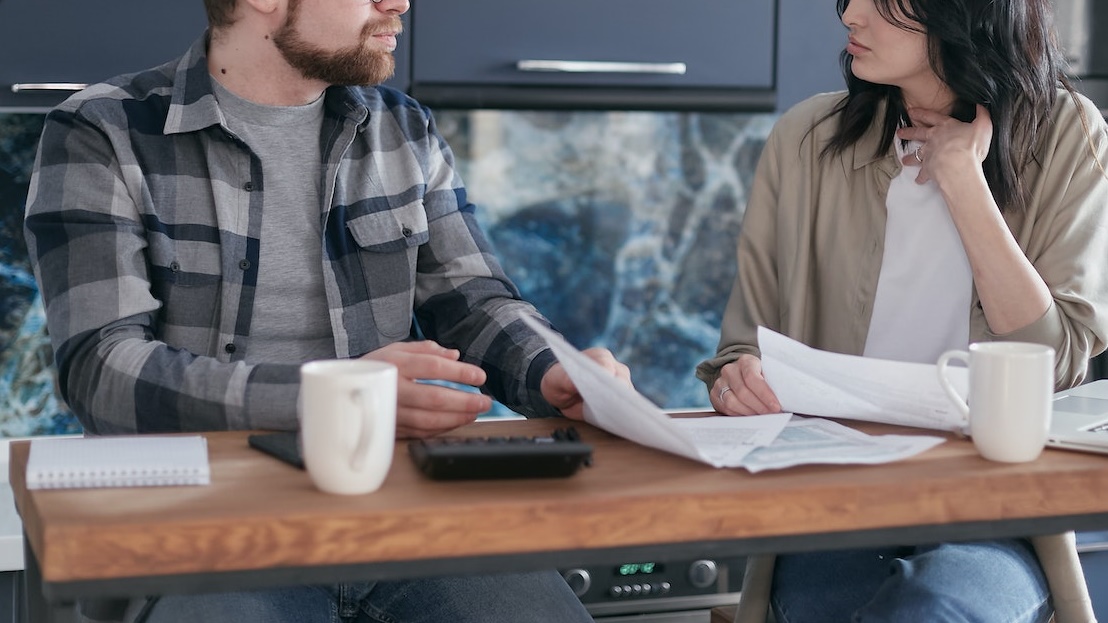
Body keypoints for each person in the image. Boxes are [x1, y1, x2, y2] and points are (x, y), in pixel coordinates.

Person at [23, 0, 630, 621]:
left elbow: (474, 301)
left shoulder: (402, 128)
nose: (398, 3)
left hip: (403, 515)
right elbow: (101, 369)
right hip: (205, 528)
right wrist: (333, 397)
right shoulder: (103, 130)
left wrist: (556, 371)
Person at [696, 0, 1108, 621]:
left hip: (995, 509)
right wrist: (738, 381)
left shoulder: (1068, 134)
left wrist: (963, 180)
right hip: (835, 503)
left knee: (935, 606)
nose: (851, 15)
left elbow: (1053, 361)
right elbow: (742, 347)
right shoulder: (807, 139)